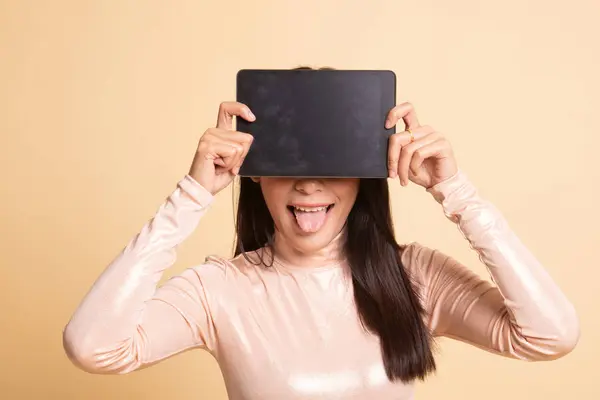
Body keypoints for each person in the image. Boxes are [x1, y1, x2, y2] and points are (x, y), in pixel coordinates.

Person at [62, 95, 580, 399]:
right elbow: (92, 346)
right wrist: (192, 195)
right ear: (256, 176)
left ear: (364, 176)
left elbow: (549, 335)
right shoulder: (216, 289)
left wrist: (456, 191)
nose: (309, 186)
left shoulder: (415, 276)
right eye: (289, 165)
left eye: (332, 162)